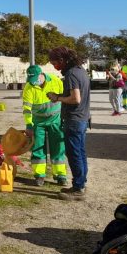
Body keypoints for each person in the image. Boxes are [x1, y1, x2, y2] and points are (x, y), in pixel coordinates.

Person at [45, 46, 90, 201]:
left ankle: (78, 189)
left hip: (74, 119)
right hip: (83, 118)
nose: (54, 66)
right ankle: (81, 183)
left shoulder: (71, 74)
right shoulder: (81, 71)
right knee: (81, 153)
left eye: (54, 63)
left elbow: (75, 98)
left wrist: (57, 98)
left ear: (62, 60)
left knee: (74, 154)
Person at [21, 65, 67, 186]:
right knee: (37, 148)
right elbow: (27, 109)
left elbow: (65, 97)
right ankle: (39, 176)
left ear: (42, 74)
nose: (34, 82)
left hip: (55, 120)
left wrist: (65, 116)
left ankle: (60, 175)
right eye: (31, 80)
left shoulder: (55, 81)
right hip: (38, 123)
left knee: (58, 147)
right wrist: (29, 125)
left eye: (36, 79)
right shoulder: (28, 88)